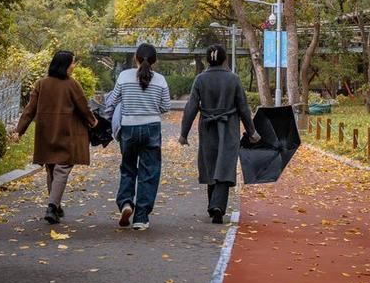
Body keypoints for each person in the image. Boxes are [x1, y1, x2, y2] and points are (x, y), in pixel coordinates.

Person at [12, 50, 97, 224]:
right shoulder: (72, 84)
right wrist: (93, 122)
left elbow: (29, 110)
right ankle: (52, 206)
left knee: (52, 168)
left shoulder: (41, 84)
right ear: (65, 65)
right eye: (73, 63)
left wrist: (19, 131)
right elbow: (83, 107)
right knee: (62, 169)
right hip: (67, 133)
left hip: (46, 133)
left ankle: (55, 206)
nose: (74, 66)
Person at [179, 45, 260, 223]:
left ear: (208, 60)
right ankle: (217, 206)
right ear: (224, 60)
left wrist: (184, 133)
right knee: (224, 166)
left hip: (207, 127)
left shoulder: (200, 79)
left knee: (210, 164)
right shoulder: (234, 79)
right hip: (229, 127)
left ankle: (213, 206)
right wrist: (252, 131)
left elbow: (191, 107)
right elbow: (243, 108)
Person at [101, 43, 170, 231]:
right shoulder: (161, 80)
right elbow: (166, 107)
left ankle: (125, 203)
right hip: (152, 128)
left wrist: (108, 116)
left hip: (129, 127)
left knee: (128, 167)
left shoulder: (124, 76)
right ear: (155, 61)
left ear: (136, 58)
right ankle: (141, 217)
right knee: (149, 172)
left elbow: (112, 102)